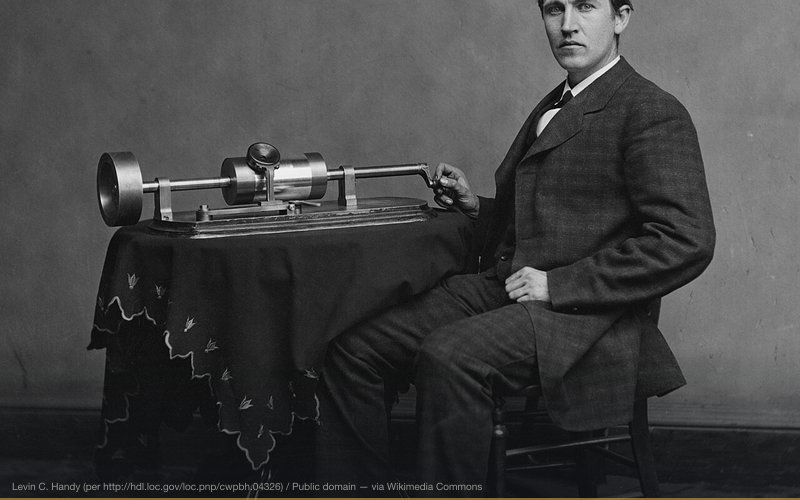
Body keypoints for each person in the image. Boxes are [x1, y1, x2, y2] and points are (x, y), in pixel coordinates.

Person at [315, 0, 715, 494]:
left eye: (586, 7)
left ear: (621, 18)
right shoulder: (554, 104)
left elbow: (686, 240)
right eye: (553, 9)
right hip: (507, 284)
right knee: (355, 349)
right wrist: (476, 208)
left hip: (588, 314)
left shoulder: (652, 111)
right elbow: (546, 221)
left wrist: (559, 284)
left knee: (448, 355)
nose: (567, 24)